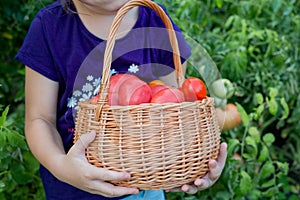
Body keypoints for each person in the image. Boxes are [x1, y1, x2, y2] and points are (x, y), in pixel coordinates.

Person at [15, 0, 227, 199]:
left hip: (144, 191)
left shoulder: (156, 22)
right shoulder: (50, 28)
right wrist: (62, 166)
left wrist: (191, 167)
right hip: (74, 190)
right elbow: (40, 119)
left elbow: (175, 111)